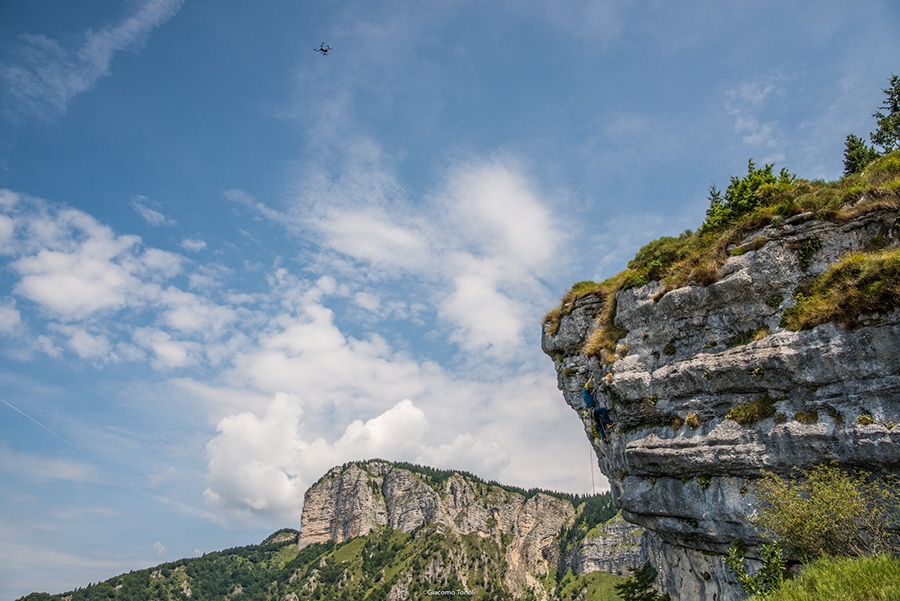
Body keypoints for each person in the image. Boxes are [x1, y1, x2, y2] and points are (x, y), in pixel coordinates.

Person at [582, 375, 614, 441]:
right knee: (603, 410)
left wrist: (594, 391)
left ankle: (604, 438)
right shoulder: (585, 392)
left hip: (591, 413)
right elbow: (588, 384)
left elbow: (591, 395)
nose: (591, 390)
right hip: (592, 410)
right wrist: (591, 377)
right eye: (590, 389)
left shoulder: (586, 395)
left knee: (600, 426)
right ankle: (609, 423)